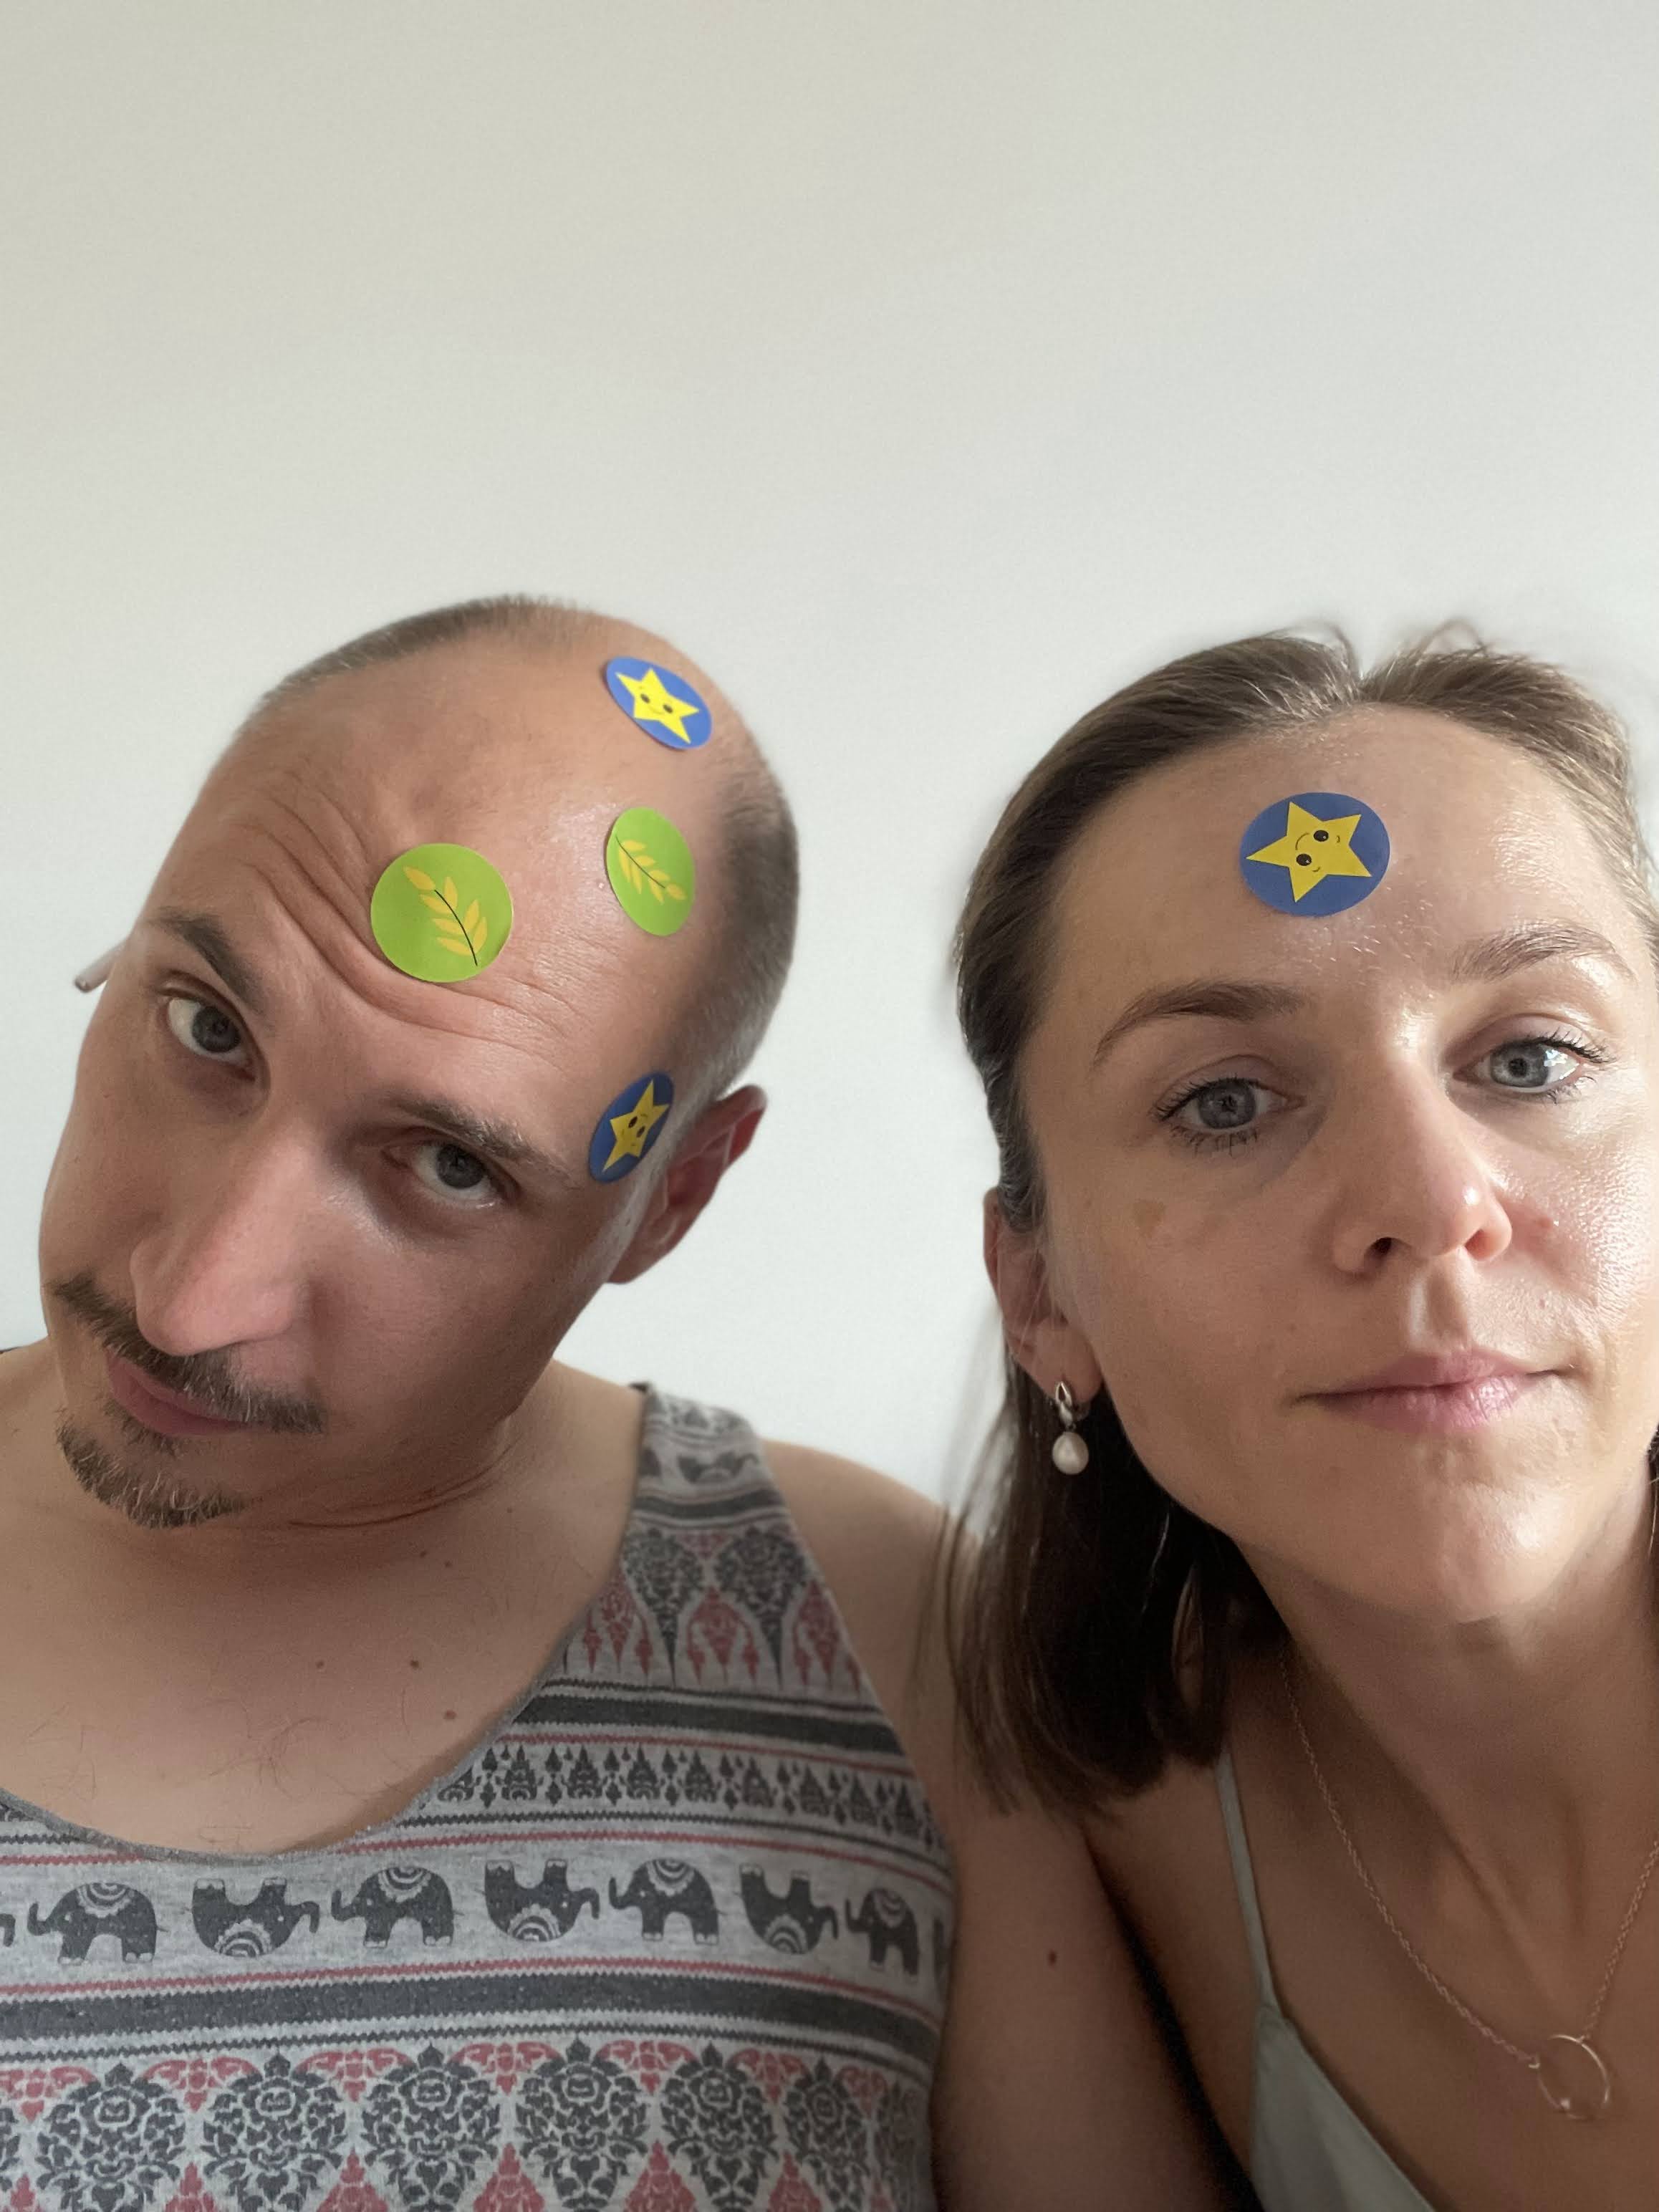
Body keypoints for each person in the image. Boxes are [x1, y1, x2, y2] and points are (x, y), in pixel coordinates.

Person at [0, 597, 1218, 2210]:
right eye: (206, 1026)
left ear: (673, 1196)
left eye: (449, 1165)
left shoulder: (879, 1628)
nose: (190, 1301)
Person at [951, 630, 1659, 2211]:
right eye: (1225, 1101)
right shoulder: (1108, 1845)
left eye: (1531, 1056)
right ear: (1041, 1292)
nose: (1430, 1200)